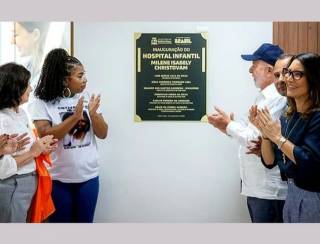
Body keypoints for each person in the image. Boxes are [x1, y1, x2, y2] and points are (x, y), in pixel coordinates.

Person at [208, 43, 288, 223]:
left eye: (254, 65)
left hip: (268, 190)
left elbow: (257, 140)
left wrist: (229, 125)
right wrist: (227, 127)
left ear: (269, 70)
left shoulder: (276, 100)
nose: (250, 70)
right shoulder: (262, 98)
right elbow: (252, 132)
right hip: (258, 188)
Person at [29, 48, 108, 223]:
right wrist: (74, 118)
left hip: (88, 177)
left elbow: (103, 133)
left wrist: (93, 115)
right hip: (58, 178)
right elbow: (45, 135)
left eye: (84, 75)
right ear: (65, 80)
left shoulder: (87, 97)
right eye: (80, 76)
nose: (85, 80)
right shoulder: (42, 102)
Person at [250, 53, 320, 222]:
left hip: (313, 196)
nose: (287, 79)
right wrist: (266, 135)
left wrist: (277, 138)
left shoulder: (317, 117)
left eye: (297, 74)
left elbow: (309, 162)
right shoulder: (288, 117)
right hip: (292, 194)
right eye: (288, 72)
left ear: (313, 79)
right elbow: (270, 162)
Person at [0, 62, 56, 222]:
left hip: (27, 183)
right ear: (15, 89)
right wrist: (33, 152)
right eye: (27, 85)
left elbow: (27, 149)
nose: (31, 89)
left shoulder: (21, 114)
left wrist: (42, 148)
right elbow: (2, 168)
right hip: (12, 185)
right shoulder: (2, 120)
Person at [11, 22, 49, 91]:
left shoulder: (49, 71)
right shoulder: (28, 66)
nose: (11, 41)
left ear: (35, 35)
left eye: (16, 35)